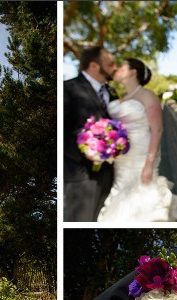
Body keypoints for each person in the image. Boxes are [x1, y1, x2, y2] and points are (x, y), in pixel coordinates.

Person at [96, 58, 177, 222]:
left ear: (133, 71)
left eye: (121, 66)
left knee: (143, 190)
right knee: (120, 189)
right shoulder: (121, 97)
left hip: (142, 153)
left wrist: (149, 163)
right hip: (121, 157)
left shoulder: (147, 95)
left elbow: (157, 129)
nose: (116, 69)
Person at [65, 46, 118, 222]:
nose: (114, 68)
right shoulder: (68, 88)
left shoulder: (112, 93)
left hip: (110, 176)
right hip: (80, 178)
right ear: (94, 66)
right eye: (110, 64)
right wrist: (83, 150)